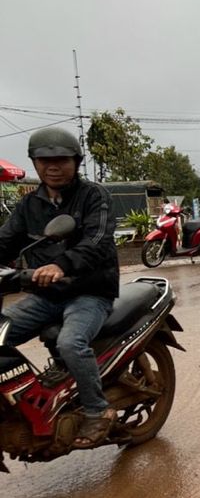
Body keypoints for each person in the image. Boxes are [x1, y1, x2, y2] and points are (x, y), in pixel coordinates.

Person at [0, 127, 119, 448]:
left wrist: (60, 265)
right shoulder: (29, 206)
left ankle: (98, 409)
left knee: (70, 342)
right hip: (47, 296)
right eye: (44, 160)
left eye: (61, 159)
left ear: (76, 161)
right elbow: (5, 242)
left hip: (90, 292)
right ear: (35, 163)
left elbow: (96, 242)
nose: (53, 166)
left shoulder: (94, 196)